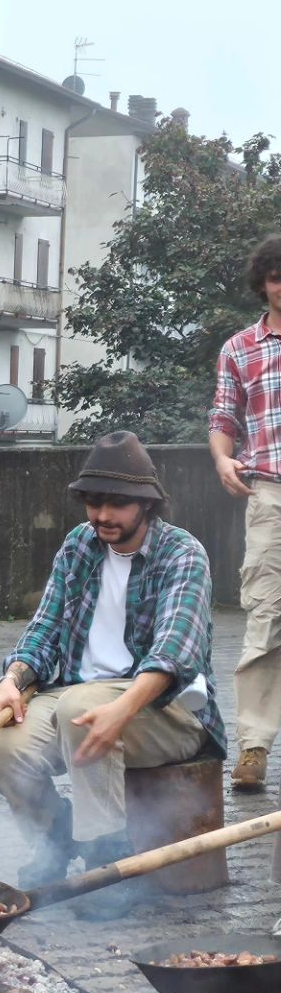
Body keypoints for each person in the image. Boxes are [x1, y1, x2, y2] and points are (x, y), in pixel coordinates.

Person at [0, 433, 223, 918]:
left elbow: (174, 654)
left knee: (79, 710)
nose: (102, 515)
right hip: (79, 695)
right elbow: (43, 630)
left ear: (147, 504)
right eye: (94, 502)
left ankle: (109, 863)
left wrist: (121, 709)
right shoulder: (79, 546)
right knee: (0, 751)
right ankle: (57, 841)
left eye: (117, 503)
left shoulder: (183, 554)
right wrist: (13, 678)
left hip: (167, 710)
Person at [210, 232, 281, 791]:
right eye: (277, 275)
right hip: (270, 495)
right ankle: (253, 748)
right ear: (263, 282)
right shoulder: (239, 348)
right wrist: (221, 460)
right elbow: (223, 418)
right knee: (265, 618)